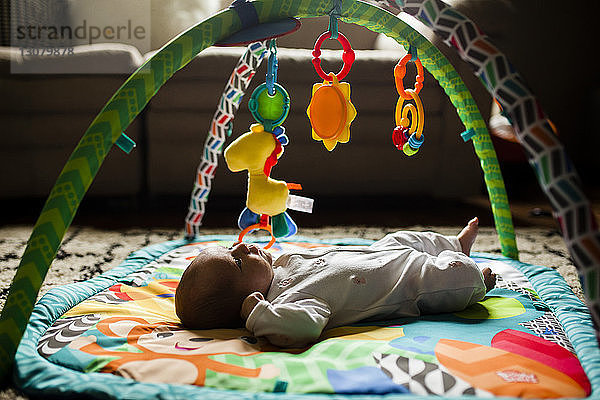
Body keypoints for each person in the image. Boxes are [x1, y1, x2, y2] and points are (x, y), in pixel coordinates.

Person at [175, 217, 496, 348]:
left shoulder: (281, 267)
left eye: (233, 246)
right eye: (237, 260)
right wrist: (259, 315)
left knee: (406, 237)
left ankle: (455, 245)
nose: (242, 246)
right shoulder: (285, 304)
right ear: (250, 297)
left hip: (378, 253)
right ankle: (474, 281)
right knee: (446, 278)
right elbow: (306, 327)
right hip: (404, 283)